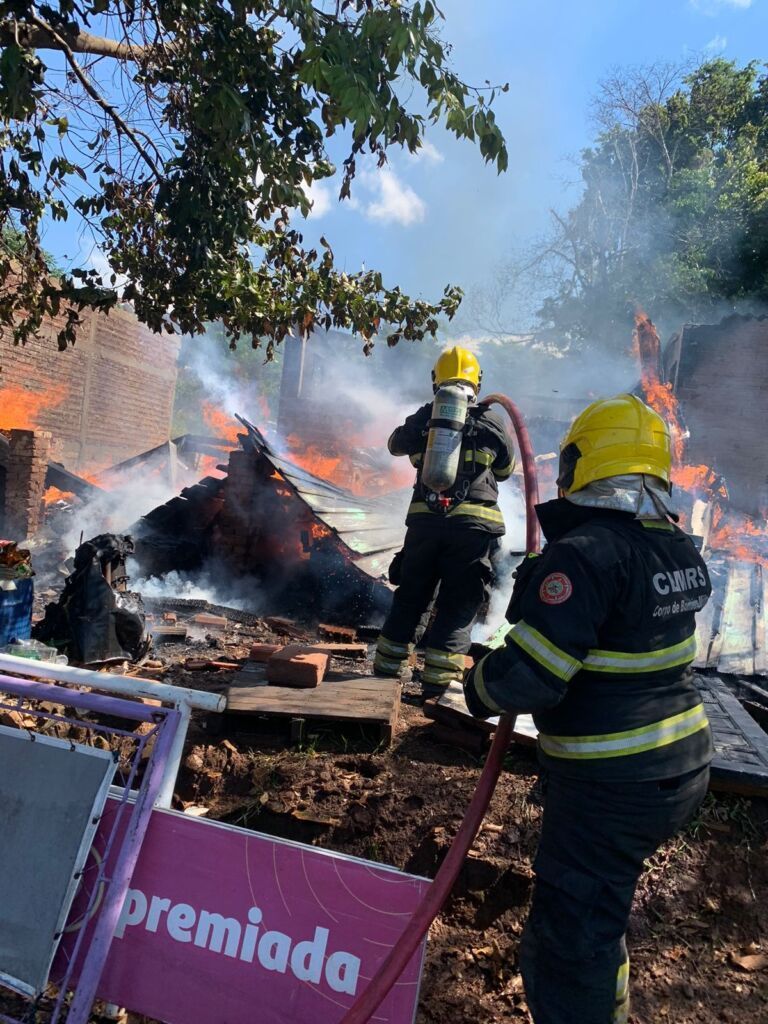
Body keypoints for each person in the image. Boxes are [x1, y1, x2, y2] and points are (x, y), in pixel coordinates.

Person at [463, 394, 713, 1024]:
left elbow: (533, 677)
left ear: (587, 460)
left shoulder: (588, 553)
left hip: (613, 784)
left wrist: (477, 685)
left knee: (569, 945)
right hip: (681, 765)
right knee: (601, 919)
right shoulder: (674, 547)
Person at [374, 346, 515, 698]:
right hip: (472, 530)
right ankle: (437, 686)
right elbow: (505, 470)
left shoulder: (426, 416)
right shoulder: (492, 420)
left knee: (411, 597)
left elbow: (394, 445)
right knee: (458, 604)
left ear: (436, 379)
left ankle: (386, 674)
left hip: (425, 525)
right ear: (477, 382)